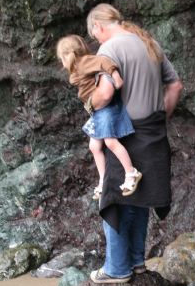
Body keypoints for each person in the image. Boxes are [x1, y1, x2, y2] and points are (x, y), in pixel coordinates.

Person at [85, 3, 183, 284]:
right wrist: (161, 118)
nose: (96, 40)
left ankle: (117, 268)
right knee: (140, 199)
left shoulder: (109, 49)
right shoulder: (149, 43)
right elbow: (175, 86)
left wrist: (90, 103)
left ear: (98, 26)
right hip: (154, 131)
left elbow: (105, 93)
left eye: (94, 35)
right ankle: (137, 261)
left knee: (114, 200)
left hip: (127, 134)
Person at [56, 34, 142, 200]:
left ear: (67, 56)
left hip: (107, 110)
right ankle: (104, 179)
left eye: (61, 59)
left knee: (110, 142)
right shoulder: (78, 68)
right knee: (94, 146)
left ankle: (131, 172)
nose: (62, 63)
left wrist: (115, 76)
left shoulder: (84, 62)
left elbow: (103, 61)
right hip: (98, 111)